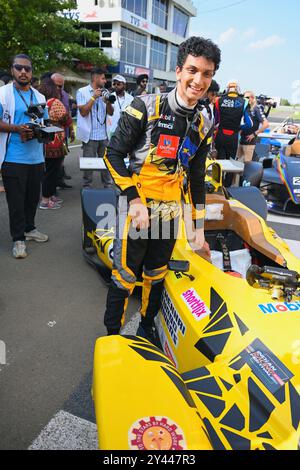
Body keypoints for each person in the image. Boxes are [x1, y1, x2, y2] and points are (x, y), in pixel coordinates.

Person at [103, 36, 221, 342]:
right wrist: (133, 201)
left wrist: (197, 228)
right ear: (179, 70)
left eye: (207, 74)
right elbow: (112, 154)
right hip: (138, 207)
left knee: (156, 273)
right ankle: (112, 335)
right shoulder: (145, 106)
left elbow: (196, 177)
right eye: (193, 70)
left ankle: (145, 324)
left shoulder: (204, 122)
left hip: (170, 211)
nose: (199, 80)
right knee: (125, 276)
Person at [0, 54, 49, 259]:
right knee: (16, 202)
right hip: (13, 158)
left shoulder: (39, 97)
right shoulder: (2, 94)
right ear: (12, 70)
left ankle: (29, 229)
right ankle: (18, 239)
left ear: (31, 72)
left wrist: (44, 132)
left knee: (31, 199)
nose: (23, 72)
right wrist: (17, 129)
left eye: (27, 69)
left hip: (36, 157)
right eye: (18, 68)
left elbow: (44, 122)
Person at [76, 67, 114, 189]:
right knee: (89, 164)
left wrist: (107, 102)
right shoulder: (82, 92)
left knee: (106, 163)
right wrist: (94, 97)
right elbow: (83, 112)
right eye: (103, 78)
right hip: (90, 136)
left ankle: (108, 186)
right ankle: (87, 188)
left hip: (104, 136)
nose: (105, 81)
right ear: (95, 78)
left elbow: (111, 113)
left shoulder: (105, 92)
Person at [39, 78, 71, 209]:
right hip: (55, 141)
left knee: (48, 170)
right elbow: (66, 119)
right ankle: (45, 201)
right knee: (52, 172)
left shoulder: (42, 101)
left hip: (45, 140)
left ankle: (50, 195)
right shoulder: (56, 102)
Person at [214, 80, 252, 185]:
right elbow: (249, 124)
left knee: (219, 162)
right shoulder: (244, 101)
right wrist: (239, 127)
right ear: (238, 89)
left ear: (227, 88)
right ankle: (228, 187)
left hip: (220, 135)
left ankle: (216, 185)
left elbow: (215, 121)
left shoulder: (218, 100)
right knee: (231, 163)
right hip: (233, 136)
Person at [51, 72, 75, 188]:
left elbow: (68, 114)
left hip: (63, 133)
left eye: (61, 86)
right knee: (51, 163)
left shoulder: (65, 96)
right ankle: (51, 187)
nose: (58, 88)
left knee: (61, 157)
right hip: (50, 137)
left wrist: (71, 130)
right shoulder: (45, 95)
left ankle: (59, 180)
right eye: (56, 85)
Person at [236, 90, 269, 164]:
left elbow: (266, 124)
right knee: (236, 166)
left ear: (252, 98)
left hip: (249, 143)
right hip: (240, 141)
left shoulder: (256, 109)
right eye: (244, 98)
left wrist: (254, 134)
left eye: (248, 97)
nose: (246, 99)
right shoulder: (244, 108)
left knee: (246, 167)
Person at [106, 74, 133, 140]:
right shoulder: (109, 97)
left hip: (125, 131)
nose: (116, 86)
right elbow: (109, 112)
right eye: (114, 84)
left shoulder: (131, 98)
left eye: (118, 84)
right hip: (111, 130)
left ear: (124, 85)